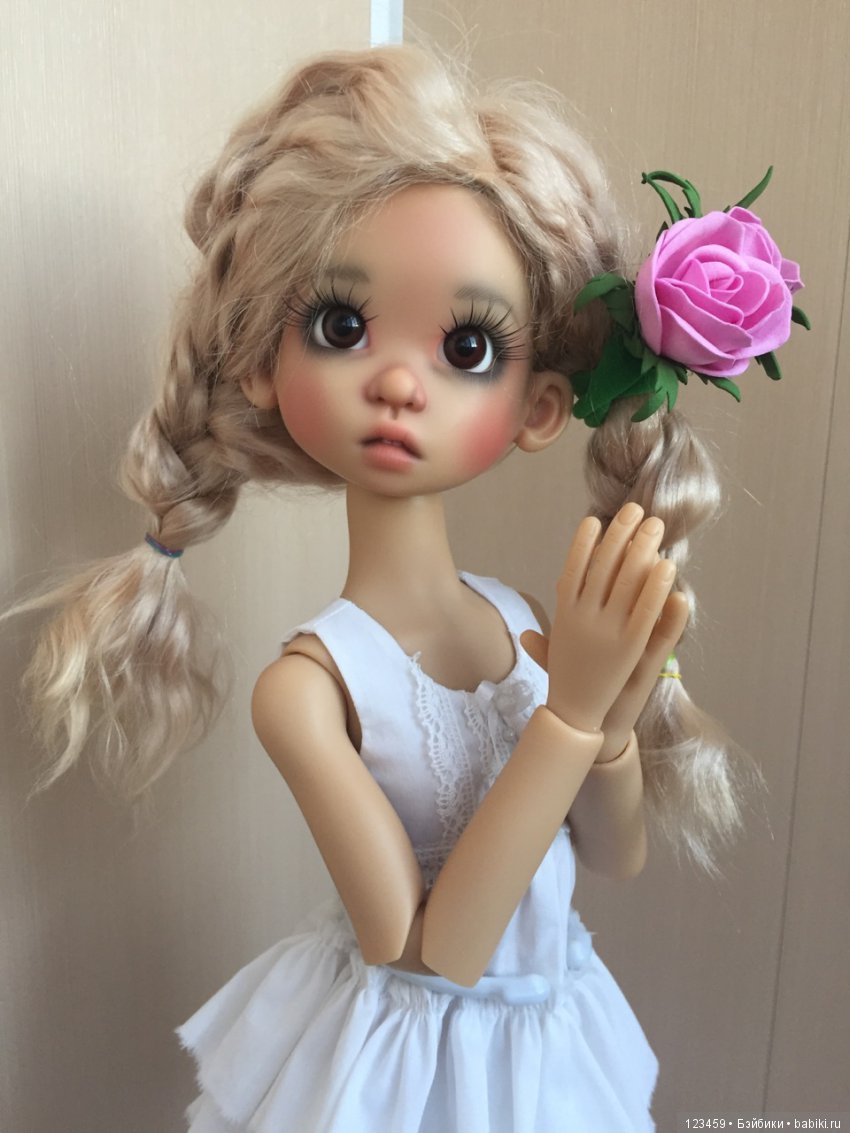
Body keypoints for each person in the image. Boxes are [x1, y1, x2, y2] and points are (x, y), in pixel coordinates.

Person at [14, 43, 802, 1133]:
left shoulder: (524, 621)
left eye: (467, 345)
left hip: (549, 1051)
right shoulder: (308, 688)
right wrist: (569, 717)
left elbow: (613, 855)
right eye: (342, 327)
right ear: (261, 363)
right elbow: (430, 947)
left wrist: (613, 728)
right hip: (404, 1076)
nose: (396, 380)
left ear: (538, 408)